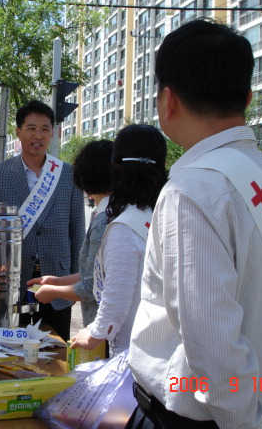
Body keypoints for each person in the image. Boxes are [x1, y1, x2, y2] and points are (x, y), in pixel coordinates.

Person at [126, 19, 262, 429]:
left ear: (168, 100)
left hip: (194, 419)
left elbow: (210, 339)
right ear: (249, 97)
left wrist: (245, 423)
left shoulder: (190, 190)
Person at [0, 100, 85, 341]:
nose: (38, 135)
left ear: (53, 133)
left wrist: (78, 278)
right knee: (9, 348)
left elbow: (77, 229)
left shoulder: (67, 174)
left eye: (44, 129)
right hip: (10, 281)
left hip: (57, 281)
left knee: (55, 350)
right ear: (18, 132)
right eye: (31, 128)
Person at [69, 125, 167, 357]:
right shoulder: (159, 213)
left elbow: (116, 297)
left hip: (132, 351)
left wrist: (94, 333)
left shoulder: (124, 225)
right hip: (161, 341)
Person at [28, 139, 113, 327]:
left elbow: (92, 286)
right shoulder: (112, 211)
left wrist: (54, 291)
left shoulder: (104, 219)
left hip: (104, 327)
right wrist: (58, 281)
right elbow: (95, 273)